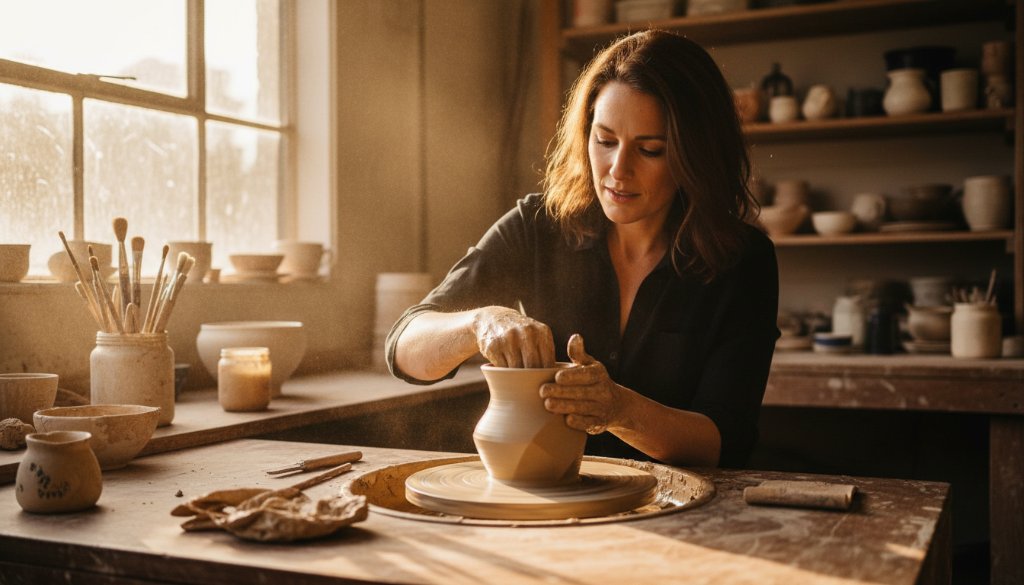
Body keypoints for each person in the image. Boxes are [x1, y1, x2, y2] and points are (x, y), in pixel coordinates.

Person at [386, 29, 779, 468]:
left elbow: (727, 441)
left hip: (681, 499)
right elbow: (404, 349)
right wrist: (480, 322)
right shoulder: (539, 226)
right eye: (605, 141)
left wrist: (620, 409)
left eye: (650, 150)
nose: (618, 169)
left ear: (696, 155)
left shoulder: (742, 261)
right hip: (548, 487)